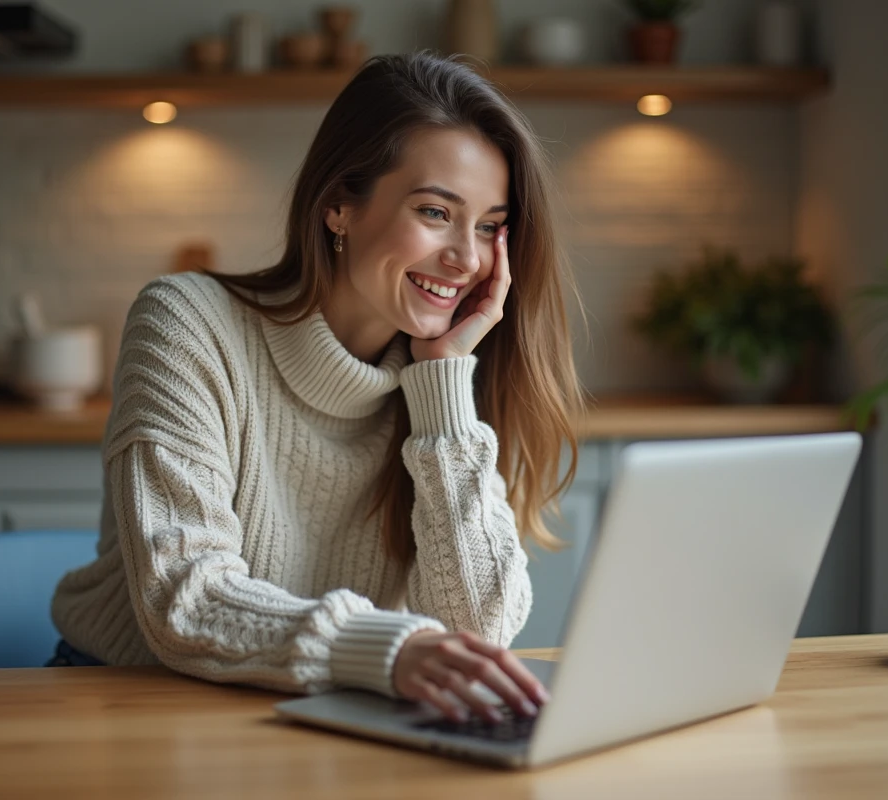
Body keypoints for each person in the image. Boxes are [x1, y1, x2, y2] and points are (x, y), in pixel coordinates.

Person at [50, 52, 585, 724]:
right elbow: (183, 598)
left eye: (487, 227)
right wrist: (387, 649)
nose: (467, 259)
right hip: (133, 704)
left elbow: (478, 630)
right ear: (338, 206)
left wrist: (442, 382)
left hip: (317, 712)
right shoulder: (187, 323)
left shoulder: (443, 380)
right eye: (434, 211)